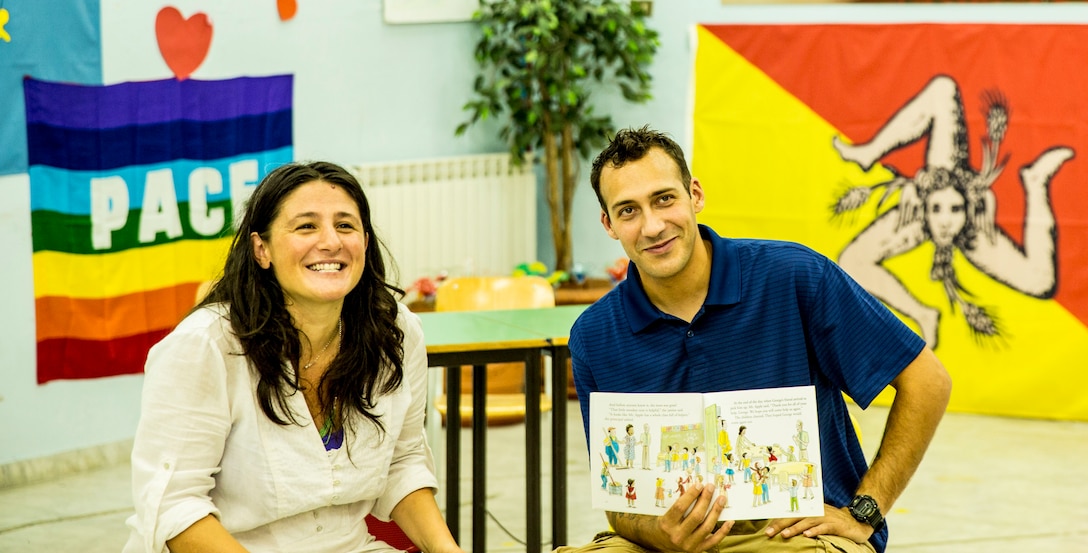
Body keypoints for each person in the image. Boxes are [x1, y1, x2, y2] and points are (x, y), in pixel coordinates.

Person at [556, 126, 951, 553]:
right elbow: (620, 498)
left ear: (695, 195)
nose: (652, 226)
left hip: (794, 535)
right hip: (665, 545)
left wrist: (865, 512)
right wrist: (659, 534)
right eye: (628, 210)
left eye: (664, 199)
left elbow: (927, 381)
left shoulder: (794, 276)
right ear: (609, 224)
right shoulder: (594, 336)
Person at [123, 161, 464, 553]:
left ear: (365, 244)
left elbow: (402, 465)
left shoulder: (395, 333)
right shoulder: (204, 346)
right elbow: (174, 507)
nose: (331, 241)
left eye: (345, 225)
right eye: (306, 226)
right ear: (261, 249)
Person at [832, 74, 1073, 348]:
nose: (945, 222)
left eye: (955, 210)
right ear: (925, 207)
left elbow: (1041, 282)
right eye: (937, 210)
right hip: (928, 195)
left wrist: (1035, 189)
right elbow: (853, 261)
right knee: (850, 260)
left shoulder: (972, 227)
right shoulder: (918, 216)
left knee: (1041, 282)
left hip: (960, 206)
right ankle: (869, 153)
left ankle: (1035, 181)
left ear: (968, 208)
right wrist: (918, 311)